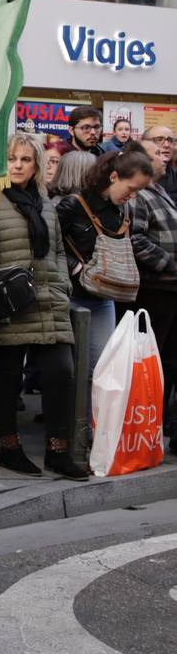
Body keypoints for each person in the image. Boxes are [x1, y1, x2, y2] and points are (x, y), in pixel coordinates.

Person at [0, 133, 85, 479]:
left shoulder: (45, 203)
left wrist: (62, 284)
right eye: (12, 159)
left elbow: (56, 250)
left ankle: (58, 451)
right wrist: (2, 283)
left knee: (61, 373)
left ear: (36, 164)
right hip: (11, 303)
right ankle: (10, 449)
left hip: (49, 300)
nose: (18, 165)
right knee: (8, 377)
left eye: (26, 159)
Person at [56, 150, 153, 384]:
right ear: (114, 177)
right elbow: (51, 246)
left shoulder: (124, 209)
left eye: (138, 191)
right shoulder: (73, 204)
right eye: (131, 188)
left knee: (100, 368)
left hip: (104, 297)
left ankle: (92, 420)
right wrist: (76, 268)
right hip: (69, 295)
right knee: (68, 370)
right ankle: (71, 419)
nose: (133, 196)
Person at [127, 138, 177, 457]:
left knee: (170, 362)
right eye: (156, 154)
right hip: (157, 289)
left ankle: (160, 426)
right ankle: (148, 430)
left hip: (171, 289)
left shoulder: (158, 191)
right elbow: (137, 240)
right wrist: (171, 264)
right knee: (154, 365)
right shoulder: (140, 196)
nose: (164, 157)